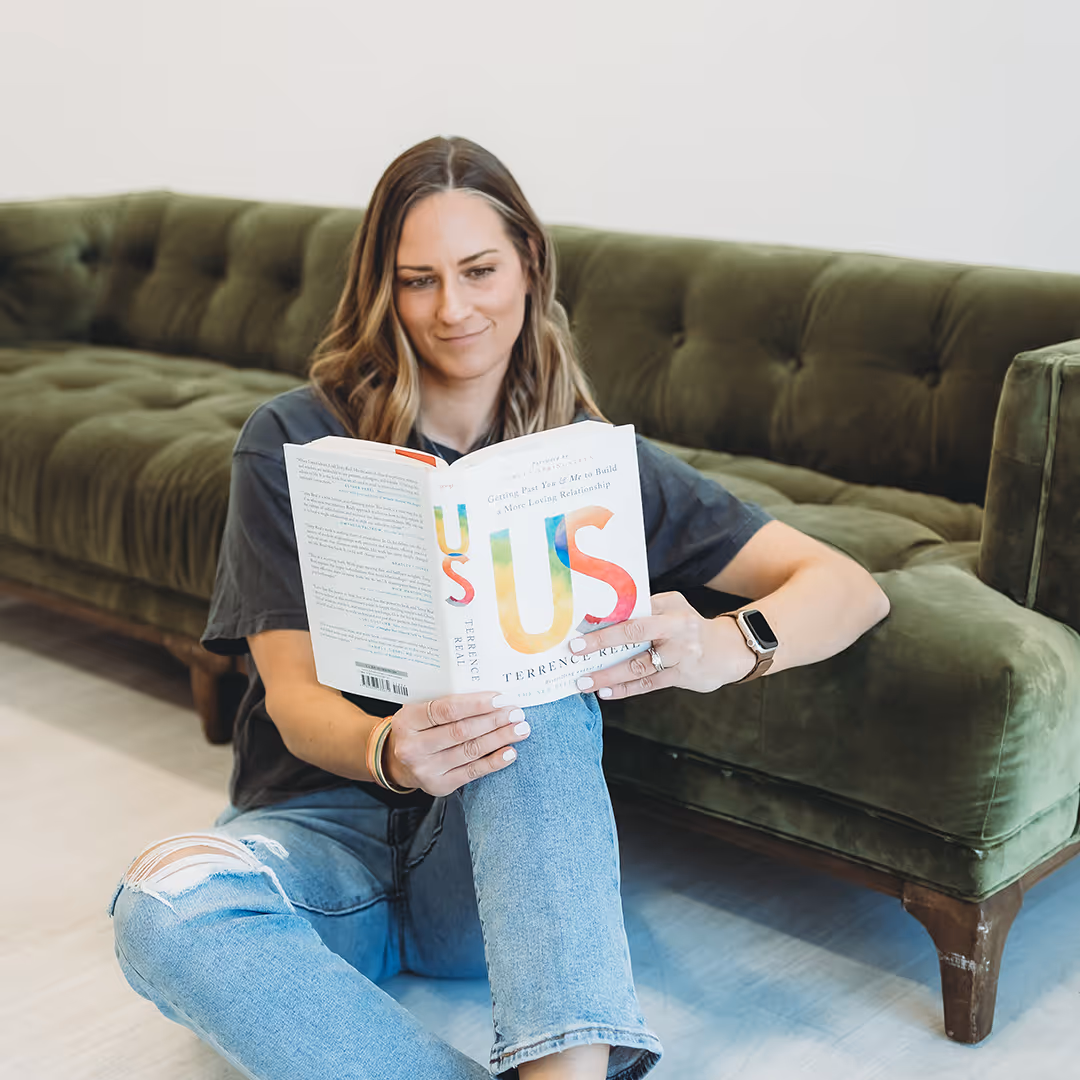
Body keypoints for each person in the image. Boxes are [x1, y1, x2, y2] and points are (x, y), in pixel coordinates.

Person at [108, 136, 890, 1080]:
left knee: (534, 680)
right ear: (382, 292)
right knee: (164, 903)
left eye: (479, 270)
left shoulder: (589, 462)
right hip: (323, 837)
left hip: (490, 875)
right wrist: (387, 750)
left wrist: (731, 644)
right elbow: (290, 695)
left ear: (529, 264)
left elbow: (850, 587)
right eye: (418, 280)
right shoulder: (295, 440)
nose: (454, 309)